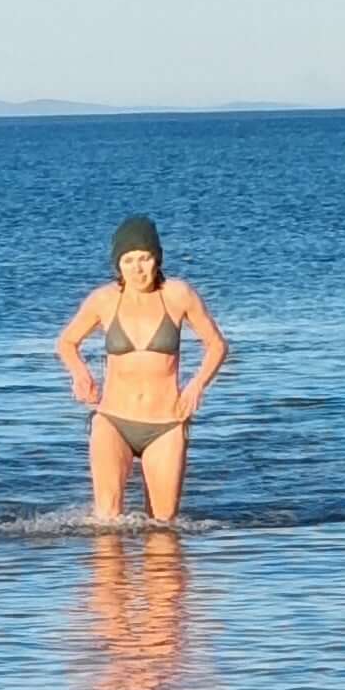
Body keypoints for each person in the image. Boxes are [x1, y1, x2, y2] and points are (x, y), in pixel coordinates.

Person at [55, 216, 228, 522]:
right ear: (118, 264)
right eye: (129, 260)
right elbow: (67, 342)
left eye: (145, 258)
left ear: (157, 258)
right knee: (106, 525)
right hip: (113, 421)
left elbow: (216, 345)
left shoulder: (178, 294)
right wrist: (80, 374)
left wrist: (197, 384)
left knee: (163, 529)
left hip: (166, 423)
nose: (138, 268)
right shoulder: (104, 300)